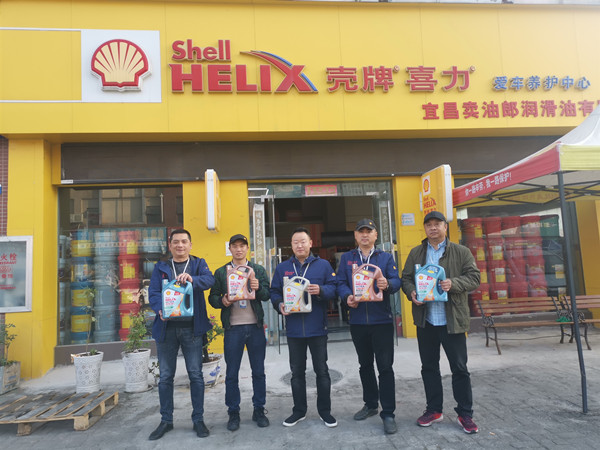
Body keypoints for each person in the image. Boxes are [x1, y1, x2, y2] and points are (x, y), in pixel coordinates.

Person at [401, 211, 481, 434]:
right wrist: (412, 292)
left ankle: (465, 413)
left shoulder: (461, 251)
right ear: (425, 228)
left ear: (445, 227)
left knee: (459, 368)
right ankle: (434, 410)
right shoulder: (417, 252)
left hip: (452, 320)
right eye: (429, 225)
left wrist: (453, 283)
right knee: (429, 367)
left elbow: (474, 277)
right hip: (426, 320)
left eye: (437, 224)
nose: (433, 228)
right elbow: (406, 278)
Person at [148, 229, 215, 440]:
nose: (180, 245)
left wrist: (193, 279)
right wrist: (160, 309)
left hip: (191, 329)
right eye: (176, 242)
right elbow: (153, 293)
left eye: (184, 242)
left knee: (195, 374)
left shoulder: (198, 264)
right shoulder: (161, 267)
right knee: (166, 376)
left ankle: (198, 420)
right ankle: (166, 420)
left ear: (190, 245)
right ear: (170, 246)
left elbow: (209, 280)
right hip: (167, 329)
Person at [336, 218, 402, 435]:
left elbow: (397, 280)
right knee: (365, 365)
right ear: (355, 236)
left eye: (369, 231)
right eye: (361, 231)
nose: (365, 235)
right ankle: (371, 404)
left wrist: (388, 284)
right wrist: (347, 296)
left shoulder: (385, 257)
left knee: (385, 367)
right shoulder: (347, 258)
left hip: (381, 321)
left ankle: (388, 413)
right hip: (357, 321)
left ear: (375, 235)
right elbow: (340, 283)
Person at [270, 227, 338, 428]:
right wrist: (279, 304)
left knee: (322, 371)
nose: (299, 245)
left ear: (310, 243)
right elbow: (274, 292)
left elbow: (334, 288)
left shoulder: (323, 265)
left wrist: (321, 290)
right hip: (294, 329)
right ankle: (299, 411)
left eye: (303, 241)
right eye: (295, 242)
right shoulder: (283, 268)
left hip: (317, 327)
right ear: (291, 245)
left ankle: (325, 411)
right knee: (297, 373)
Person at [208, 234, 271, 432]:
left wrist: (258, 288)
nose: (238, 249)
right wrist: (223, 301)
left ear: (247, 248)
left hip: (255, 327)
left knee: (258, 371)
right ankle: (233, 412)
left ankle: (259, 409)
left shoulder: (257, 270)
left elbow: (267, 295)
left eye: (242, 246)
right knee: (232, 373)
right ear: (230, 249)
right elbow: (212, 297)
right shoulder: (221, 272)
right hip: (233, 328)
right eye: (234, 246)